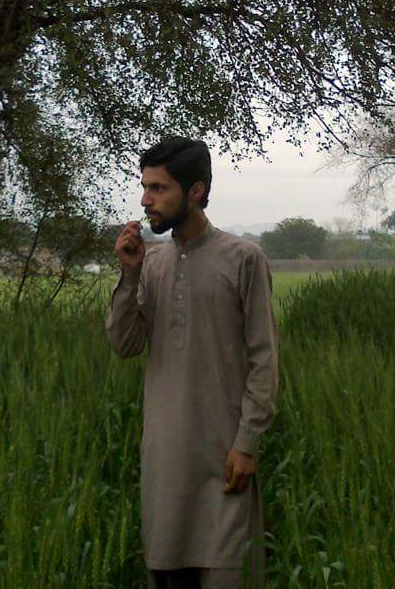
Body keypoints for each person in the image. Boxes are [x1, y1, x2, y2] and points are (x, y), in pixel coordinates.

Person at [106, 137, 279, 589]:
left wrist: (247, 443)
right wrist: (129, 274)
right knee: (168, 567)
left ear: (196, 191)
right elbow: (125, 344)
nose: (145, 200)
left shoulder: (243, 259)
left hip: (225, 459)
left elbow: (263, 358)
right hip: (165, 462)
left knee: (228, 569)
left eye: (158, 188)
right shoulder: (152, 264)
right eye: (145, 187)